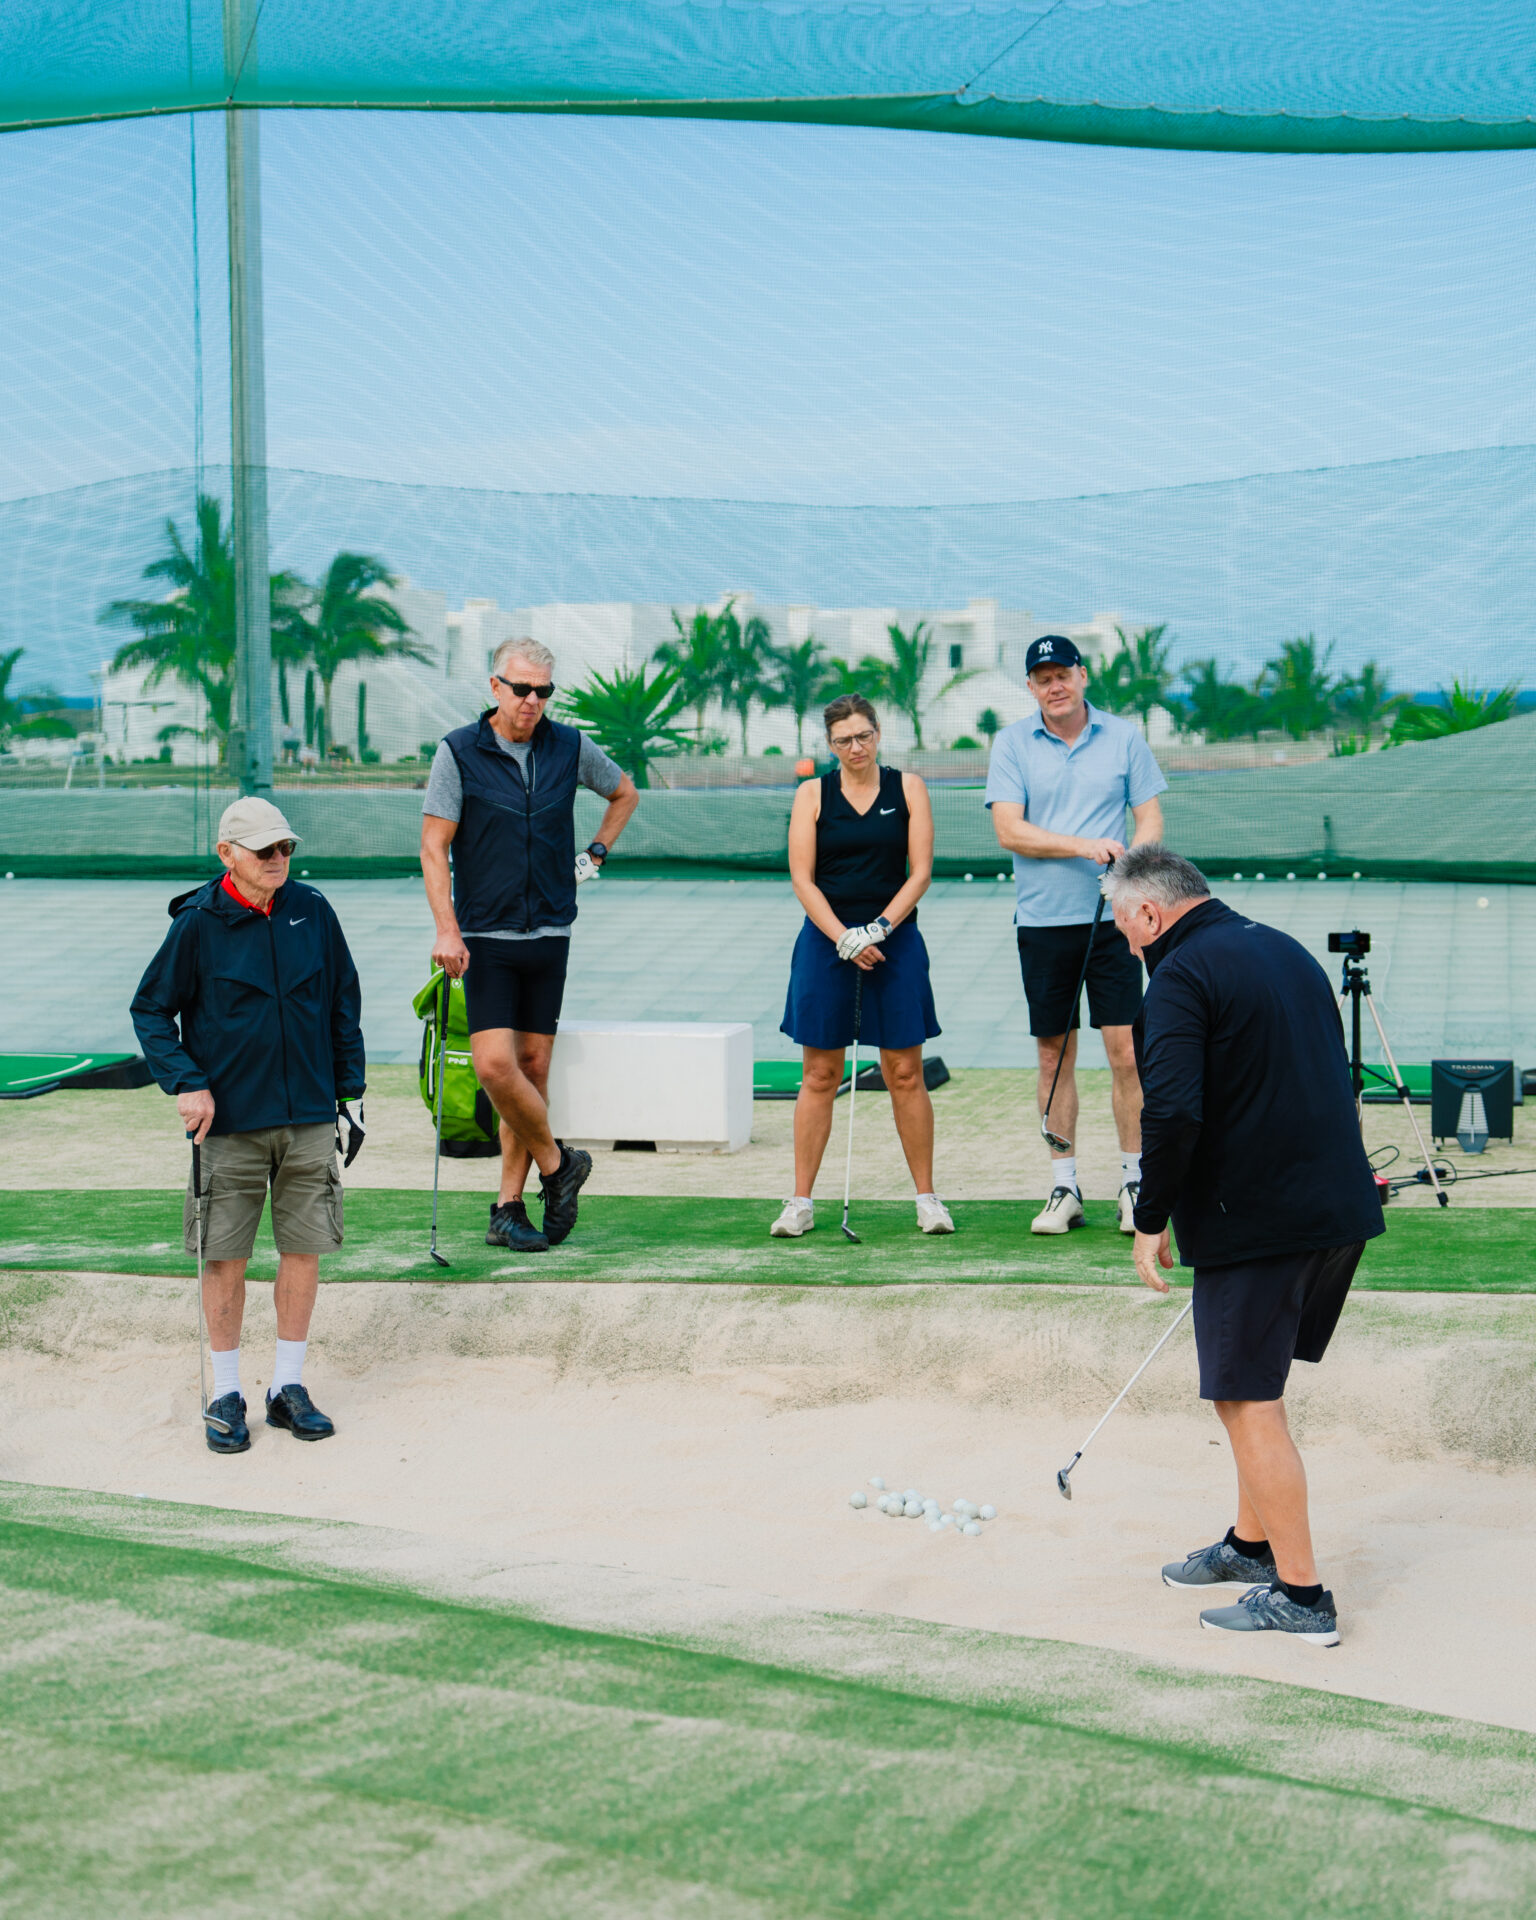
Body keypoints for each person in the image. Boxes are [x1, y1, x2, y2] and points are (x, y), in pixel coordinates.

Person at [1105, 844, 1385, 1646]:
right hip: (1333, 1207)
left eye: (1125, 927)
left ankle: (1301, 1598)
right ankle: (1248, 1546)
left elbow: (1174, 1112)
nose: (1127, 944)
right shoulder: (1283, 948)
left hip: (1262, 1219)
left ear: (1151, 914)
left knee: (1245, 1399)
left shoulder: (1181, 977)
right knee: (1253, 1387)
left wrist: (1149, 1215)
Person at [130, 796, 366, 1454]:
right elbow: (151, 1010)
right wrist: (187, 1081)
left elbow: (343, 999)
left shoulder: (312, 911)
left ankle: (287, 1389)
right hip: (229, 1123)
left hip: (311, 1116)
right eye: (264, 850)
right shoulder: (197, 925)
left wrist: (352, 1091)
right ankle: (226, 1392)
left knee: (304, 1249)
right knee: (224, 1256)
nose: (278, 860)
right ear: (226, 855)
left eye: (285, 848)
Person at [422, 637, 639, 1252]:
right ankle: (558, 1164)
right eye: (522, 689)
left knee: (535, 1067)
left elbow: (624, 793)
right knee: (496, 1066)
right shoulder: (459, 752)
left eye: (544, 691)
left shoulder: (569, 746)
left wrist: (596, 851)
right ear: (495, 686)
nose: (532, 701)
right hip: (484, 935)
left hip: (551, 929)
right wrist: (446, 928)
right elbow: (433, 846)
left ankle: (508, 1207)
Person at [985, 635, 1167, 1235]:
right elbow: (1010, 831)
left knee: (1126, 1053)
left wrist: (1130, 877)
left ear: (1082, 676)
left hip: (1116, 925)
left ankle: (1135, 1181)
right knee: (1052, 1055)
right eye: (1042, 678)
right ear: (1032, 688)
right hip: (1042, 924)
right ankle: (1064, 1186)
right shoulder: (1012, 743)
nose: (1054, 685)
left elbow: (1150, 817)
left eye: (1063, 673)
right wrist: (1085, 846)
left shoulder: (1123, 738)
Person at [772, 693, 953, 1238]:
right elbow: (802, 877)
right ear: (830, 745)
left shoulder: (909, 788)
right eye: (844, 740)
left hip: (893, 938)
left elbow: (919, 872)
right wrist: (844, 938)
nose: (856, 747)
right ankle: (800, 1202)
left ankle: (927, 1198)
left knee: (904, 1072)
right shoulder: (811, 795)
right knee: (819, 1073)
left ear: (878, 733)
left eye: (864, 736)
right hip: (826, 940)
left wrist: (878, 929)